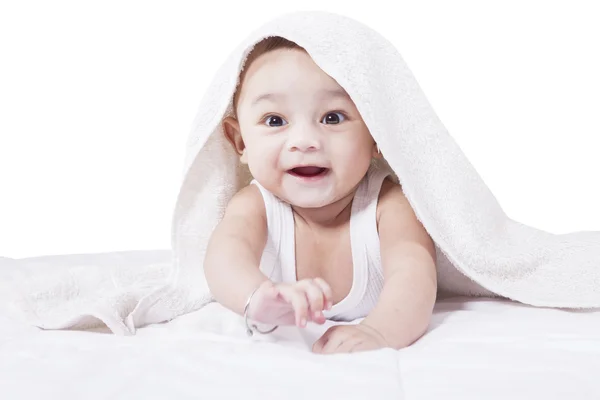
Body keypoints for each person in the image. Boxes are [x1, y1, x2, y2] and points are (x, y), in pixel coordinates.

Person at [204, 36, 437, 354]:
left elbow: (414, 276)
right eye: (275, 121)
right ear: (241, 142)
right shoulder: (254, 206)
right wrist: (254, 297)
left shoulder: (388, 206)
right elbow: (224, 259)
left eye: (332, 118)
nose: (304, 141)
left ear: (377, 133)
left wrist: (379, 332)